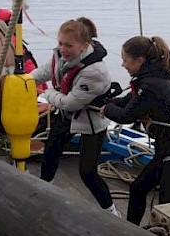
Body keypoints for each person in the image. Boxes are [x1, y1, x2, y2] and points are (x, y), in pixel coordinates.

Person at [101, 36, 170, 225]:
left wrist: (107, 110)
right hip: (169, 151)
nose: (123, 65)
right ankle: (131, 231)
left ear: (139, 61)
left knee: (167, 205)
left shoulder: (150, 85)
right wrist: (107, 102)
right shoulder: (151, 78)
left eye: (125, 60)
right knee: (138, 188)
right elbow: (130, 101)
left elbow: (127, 116)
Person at [30, 17, 119, 216]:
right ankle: (44, 193)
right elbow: (45, 71)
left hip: (91, 121)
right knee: (51, 152)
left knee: (87, 172)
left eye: (68, 45)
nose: (63, 48)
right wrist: (24, 80)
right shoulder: (62, 57)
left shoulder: (95, 71)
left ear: (84, 46)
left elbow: (71, 102)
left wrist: (45, 94)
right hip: (66, 115)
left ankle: (112, 212)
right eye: (60, 43)